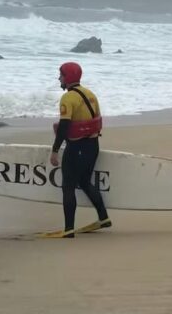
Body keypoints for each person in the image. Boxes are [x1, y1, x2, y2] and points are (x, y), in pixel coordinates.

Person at [47, 62, 111, 238]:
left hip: (77, 148)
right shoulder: (90, 94)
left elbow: (64, 127)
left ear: (67, 77)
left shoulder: (68, 99)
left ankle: (68, 229)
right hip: (93, 146)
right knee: (84, 181)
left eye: (61, 75)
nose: (59, 78)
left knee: (68, 186)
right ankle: (103, 218)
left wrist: (54, 150)